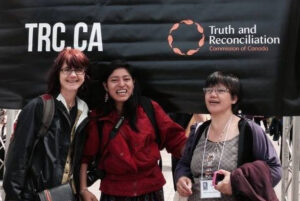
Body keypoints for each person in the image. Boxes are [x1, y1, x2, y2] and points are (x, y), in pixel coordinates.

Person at [79, 59, 187, 201]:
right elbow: (85, 157)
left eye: (126, 79)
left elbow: (176, 139)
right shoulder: (98, 118)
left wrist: (200, 162)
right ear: (105, 86)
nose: (121, 84)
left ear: (133, 82)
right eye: (114, 80)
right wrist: (83, 190)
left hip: (151, 192)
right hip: (114, 194)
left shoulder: (149, 108)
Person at [175, 71, 281, 201]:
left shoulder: (250, 131)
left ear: (234, 98)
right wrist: (181, 177)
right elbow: (184, 164)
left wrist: (236, 183)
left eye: (220, 90)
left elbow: (275, 170)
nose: (212, 94)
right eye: (208, 90)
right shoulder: (198, 131)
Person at [3, 48, 90, 201]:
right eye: (67, 69)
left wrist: (81, 188)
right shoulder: (39, 107)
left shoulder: (84, 112)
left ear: (85, 74)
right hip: (35, 197)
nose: (73, 75)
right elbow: (17, 160)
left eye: (78, 70)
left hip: (66, 196)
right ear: (58, 73)